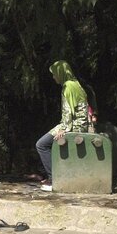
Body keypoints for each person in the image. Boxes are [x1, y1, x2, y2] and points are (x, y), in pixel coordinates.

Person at [35, 60, 89, 192]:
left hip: (73, 126)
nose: (54, 77)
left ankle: (55, 180)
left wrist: (63, 130)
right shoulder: (76, 84)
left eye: (55, 74)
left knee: (41, 145)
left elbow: (68, 112)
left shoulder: (68, 86)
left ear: (61, 73)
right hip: (80, 125)